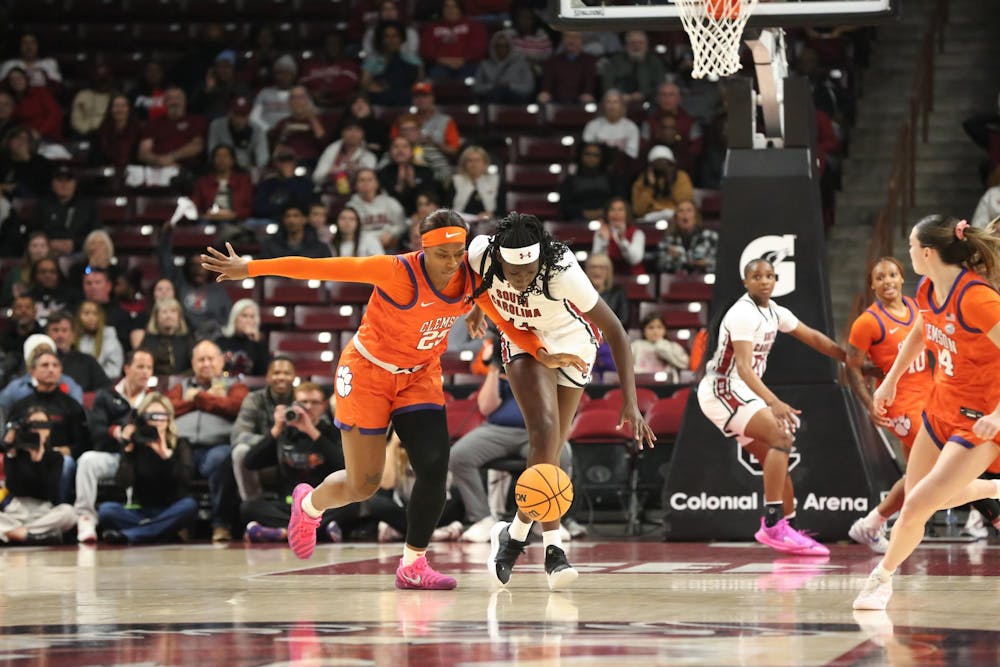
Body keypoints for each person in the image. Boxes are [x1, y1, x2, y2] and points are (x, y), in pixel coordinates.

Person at [201, 209, 578, 589]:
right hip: (368, 372)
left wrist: (539, 350)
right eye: (441, 254)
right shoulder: (395, 271)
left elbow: (504, 318)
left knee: (433, 466)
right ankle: (309, 505)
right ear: (423, 248)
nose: (450, 262)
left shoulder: (471, 276)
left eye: (457, 252)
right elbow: (316, 267)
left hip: (420, 374)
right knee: (363, 483)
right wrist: (248, 269)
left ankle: (413, 564)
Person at [465, 212, 656, 590]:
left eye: (527, 272)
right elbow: (475, 283)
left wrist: (630, 401)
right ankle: (553, 548)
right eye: (512, 272)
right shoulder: (480, 254)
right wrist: (477, 307)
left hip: (573, 347)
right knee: (545, 430)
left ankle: (515, 533)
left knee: (551, 448)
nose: (519, 280)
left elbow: (616, 331)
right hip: (522, 342)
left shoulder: (564, 271)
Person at [854, 216, 1000, 610]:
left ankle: (880, 580)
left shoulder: (978, 299)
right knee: (924, 499)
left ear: (928, 252)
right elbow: (922, 330)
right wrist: (890, 381)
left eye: (911, 244)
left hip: (980, 420)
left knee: (919, 503)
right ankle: (993, 489)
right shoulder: (928, 287)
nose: (909, 251)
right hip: (940, 406)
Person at [697, 258, 846, 557]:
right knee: (782, 438)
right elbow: (744, 367)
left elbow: (814, 337)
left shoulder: (775, 311)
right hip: (722, 388)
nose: (764, 281)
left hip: (739, 390)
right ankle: (774, 523)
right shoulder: (742, 313)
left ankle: (788, 529)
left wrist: (849, 360)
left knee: (774, 456)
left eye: (769, 276)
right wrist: (773, 402)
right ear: (745, 281)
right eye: (757, 276)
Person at [449, 349, 575, 543]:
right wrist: (493, 367)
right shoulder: (508, 356)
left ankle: (547, 519)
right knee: (459, 455)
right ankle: (482, 518)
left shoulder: (551, 357)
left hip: (536, 431)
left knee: (562, 455)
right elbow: (485, 407)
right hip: (497, 430)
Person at [241, 382, 359, 544]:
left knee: (354, 506)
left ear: (323, 406)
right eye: (303, 402)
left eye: (314, 402)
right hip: (289, 505)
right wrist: (276, 429)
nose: (308, 407)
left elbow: (344, 466)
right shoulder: (284, 433)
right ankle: (318, 532)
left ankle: (284, 532)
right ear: (294, 405)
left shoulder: (331, 431)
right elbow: (250, 462)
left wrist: (312, 431)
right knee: (248, 507)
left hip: (322, 504)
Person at [165, 339, 248, 542]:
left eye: (211, 358)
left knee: (222, 459)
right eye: (201, 359)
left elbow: (236, 406)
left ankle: (221, 523)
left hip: (216, 446)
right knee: (166, 458)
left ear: (221, 361)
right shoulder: (180, 386)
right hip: (182, 446)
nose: (206, 364)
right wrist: (202, 399)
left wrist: (199, 398)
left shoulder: (234, 386)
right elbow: (167, 407)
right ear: (193, 363)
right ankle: (180, 524)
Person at [74, 348, 154, 543]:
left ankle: (150, 515)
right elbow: (97, 431)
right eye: (140, 366)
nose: (145, 372)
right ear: (126, 368)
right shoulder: (106, 396)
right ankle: (85, 517)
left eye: (149, 367)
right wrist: (118, 432)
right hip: (113, 455)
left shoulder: (154, 398)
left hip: (144, 458)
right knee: (87, 460)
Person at [97, 393, 198, 544]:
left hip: (170, 509)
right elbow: (123, 482)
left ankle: (131, 535)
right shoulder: (136, 445)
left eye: (161, 416)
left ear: (169, 418)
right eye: (151, 416)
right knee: (106, 510)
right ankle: (162, 532)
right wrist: (128, 453)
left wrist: (166, 456)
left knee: (189, 506)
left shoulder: (180, 444)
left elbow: (185, 481)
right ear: (143, 419)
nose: (156, 421)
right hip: (141, 511)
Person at [0, 405, 76, 545]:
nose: (38, 429)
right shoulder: (15, 453)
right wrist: (11, 452)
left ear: (49, 430)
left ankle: (17, 534)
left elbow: (49, 493)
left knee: (69, 513)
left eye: (43, 425)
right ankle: (36, 536)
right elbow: (13, 487)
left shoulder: (55, 457)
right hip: (17, 510)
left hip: (43, 512)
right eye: (34, 425)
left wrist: (38, 460)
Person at [230, 356, 297, 504]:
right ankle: (254, 505)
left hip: (297, 457)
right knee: (240, 451)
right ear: (267, 377)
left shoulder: (303, 399)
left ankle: (307, 509)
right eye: (276, 373)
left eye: (286, 373)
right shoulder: (254, 399)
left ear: (294, 377)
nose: (281, 377)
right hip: (264, 458)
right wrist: (271, 442)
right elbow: (239, 436)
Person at [558, 142, 625, 223]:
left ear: (601, 158)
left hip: (608, 219)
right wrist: (583, 213)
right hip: (578, 220)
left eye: (596, 155)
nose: (591, 158)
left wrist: (604, 211)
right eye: (588, 154)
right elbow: (564, 206)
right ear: (581, 156)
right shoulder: (570, 180)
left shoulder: (611, 178)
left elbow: (618, 200)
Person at [630, 145, 694, 219]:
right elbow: (638, 210)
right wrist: (650, 187)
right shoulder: (641, 181)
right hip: (650, 218)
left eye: (665, 163)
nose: (662, 167)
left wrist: (671, 181)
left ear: (672, 165)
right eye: (657, 163)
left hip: (675, 217)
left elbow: (684, 203)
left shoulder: (681, 177)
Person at [207, 96, 269, 171]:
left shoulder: (257, 130)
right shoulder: (217, 125)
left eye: (243, 115)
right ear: (230, 113)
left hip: (247, 170)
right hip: (221, 168)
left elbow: (263, 158)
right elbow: (212, 152)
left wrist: (254, 170)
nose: (239, 119)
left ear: (249, 115)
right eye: (236, 114)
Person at [656, 200, 718, 274]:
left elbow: (720, 264)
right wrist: (672, 258)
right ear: (676, 218)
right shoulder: (667, 241)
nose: (684, 214)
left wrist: (705, 263)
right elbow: (660, 266)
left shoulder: (711, 237)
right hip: (677, 282)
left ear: (696, 216)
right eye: (680, 211)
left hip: (704, 281)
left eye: (689, 210)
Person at [138, 298, 195, 376]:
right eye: (164, 312)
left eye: (173, 311)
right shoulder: (148, 340)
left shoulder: (187, 339)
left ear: (179, 317)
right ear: (156, 317)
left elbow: (195, 366)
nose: (169, 316)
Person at [592, 197, 645, 277]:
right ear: (607, 214)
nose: (616, 214)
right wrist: (604, 241)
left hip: (633, 277)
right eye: (612, 210)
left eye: (620, 210)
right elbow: (596, 261)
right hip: (609, 279)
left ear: (627, 213)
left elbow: (634, 260)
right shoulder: (601, 232)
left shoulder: (637, 233)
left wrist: (623, 241)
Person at [215, 299, 269, 377]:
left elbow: (263, 374)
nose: (249, 320)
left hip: (252, 386)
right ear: (234, 318)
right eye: (244, 316)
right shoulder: (221, 341)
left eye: (252, 317)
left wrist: (257, 342)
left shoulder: (260, 343)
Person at [73, 299, 124, 379]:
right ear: (78, 316)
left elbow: (115, 370)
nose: (91, 317)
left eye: (95, 314)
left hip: (104, 383)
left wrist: (93, 376)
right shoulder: (72, 338)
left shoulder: (109, 337)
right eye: (86, 313)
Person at [450, 146, 503, 223]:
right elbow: (447, 207)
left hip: (488, 223)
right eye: (470, 160)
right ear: (464, 164)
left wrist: (491, 214)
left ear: (485, 163)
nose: (473, 164)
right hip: (459, 223)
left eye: (477, 160)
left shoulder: (496, 181)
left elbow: (502, 210)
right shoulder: (456, 181)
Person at [582, 89, 640, 160]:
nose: (612, 106)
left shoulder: (631, 127)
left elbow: (633, 154)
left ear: (622, 106)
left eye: (615, 102)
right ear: (603, 105)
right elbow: (587, 152)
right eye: (608, 102)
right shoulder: (592, 126)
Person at [631, 312, 689, 381]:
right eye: (651, 328)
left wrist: (662, 347)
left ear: (665, 330)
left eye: (659, 327)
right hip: (641, 384)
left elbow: (684, 364)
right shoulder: (635, 346)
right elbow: (627, 369)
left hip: (667, 385)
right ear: (644, 331)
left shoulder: (672, 346)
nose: (655, 331)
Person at [95, 93, 142, 169]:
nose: (119, 110)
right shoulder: (101, 132)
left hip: (133, 172)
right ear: (110, 109)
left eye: (123, 106)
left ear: (129, 109)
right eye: (116, 106)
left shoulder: (139, 131)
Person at [583, 253, 628, 326]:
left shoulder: (618, 292)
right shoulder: (581, 291)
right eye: (593, 267)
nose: (597, 271)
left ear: (608, 271)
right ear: (587, 270)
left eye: (601, 267)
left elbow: (623, 320)